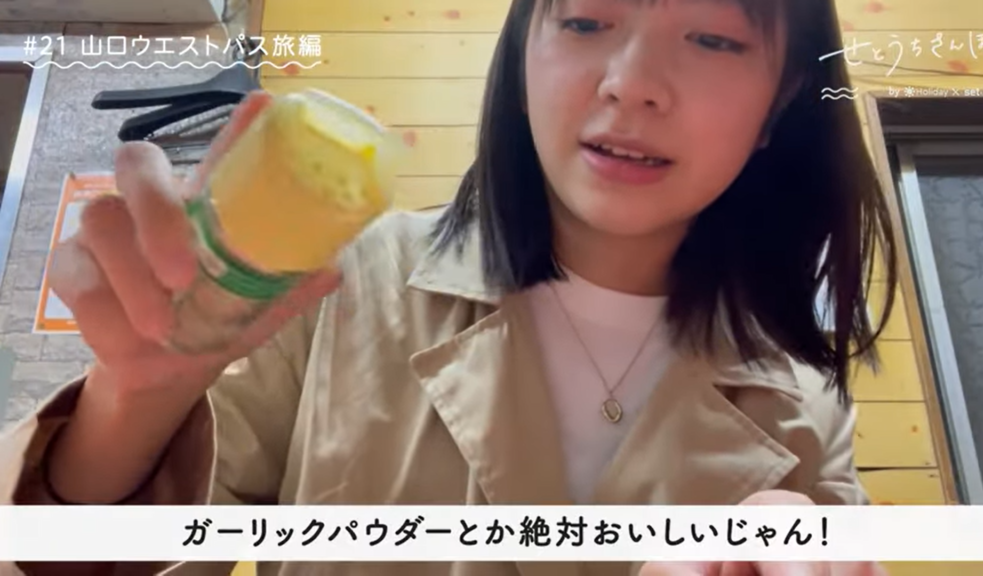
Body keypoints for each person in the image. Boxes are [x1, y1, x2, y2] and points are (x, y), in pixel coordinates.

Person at [1, 0, 897, 574]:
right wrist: (134, 398)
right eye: (585, 21)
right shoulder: (342, 279)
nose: (631, 86)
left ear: (781, 101)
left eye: (712, 38)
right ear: (521, 61)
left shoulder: (804, 405)